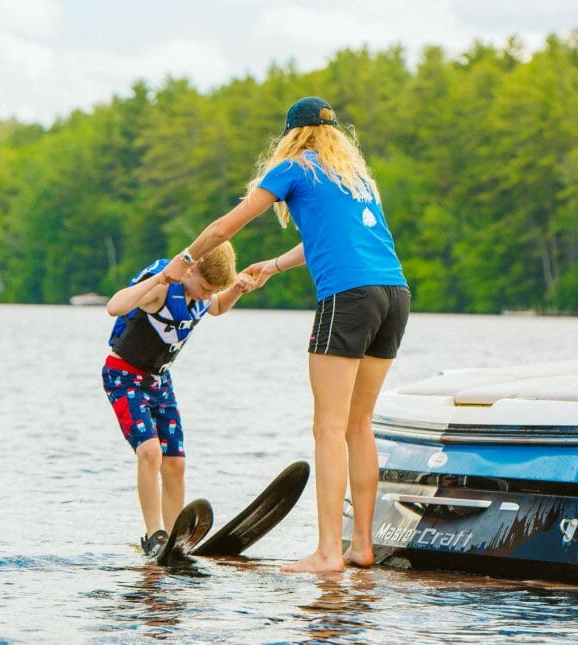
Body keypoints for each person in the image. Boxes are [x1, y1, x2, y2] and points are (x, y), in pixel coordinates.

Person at [158, 97, 410, 573]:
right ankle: (361, 546)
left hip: (349, 296)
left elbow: (225, 226)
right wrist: (273, 266)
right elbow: (326, 239)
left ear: (291, 136)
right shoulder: (355, 180)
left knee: (329, 428)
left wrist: (187, 259)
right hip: (394, 294)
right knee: (360, 425)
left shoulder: (294, 167)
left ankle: (328, 553)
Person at [102, 242, 254, 556]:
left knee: (176, 463)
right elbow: (115, 306)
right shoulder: (162, 289)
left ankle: (173, 540)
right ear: (189, 269)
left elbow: (218, 307)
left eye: (212, 289)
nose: (205, 294)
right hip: (123, 374)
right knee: (150, 452)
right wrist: (160, 279)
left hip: (160, 381)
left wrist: (236, 289)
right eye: (204, 286)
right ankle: (154, 534)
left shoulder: (203, 294)